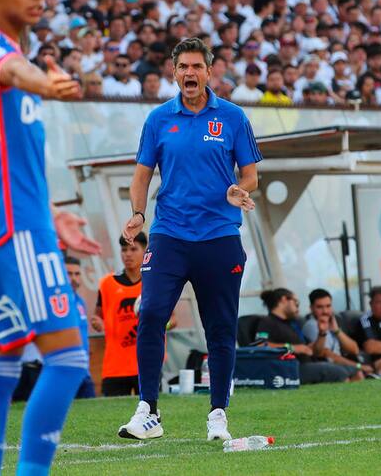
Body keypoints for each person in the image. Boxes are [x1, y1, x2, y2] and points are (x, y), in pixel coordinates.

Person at [0, 0, 102, 475]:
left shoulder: (11, 51)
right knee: (67, 357)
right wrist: (44, 81)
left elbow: (17, 161)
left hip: (5, 224)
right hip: (13, 229)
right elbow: (12, 71)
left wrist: (55, 214)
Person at [119, 37, 262, 441]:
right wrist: (137, 213)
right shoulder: (158, 120)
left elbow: (251, 174)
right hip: (169, 235)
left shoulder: (233, 117)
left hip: (219, 236)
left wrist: (238, 188)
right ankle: (148, 411)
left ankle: (218, 413)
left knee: (220, 328)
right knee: (150, 314)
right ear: (174, 71)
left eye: (197, 66)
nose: (189, 73)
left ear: (209, 70)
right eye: (183, 66)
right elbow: (142, 175)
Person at [256, 289, 352, 385]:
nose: (298, 308)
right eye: (296, 303)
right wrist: (293, 348)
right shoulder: (267, 322)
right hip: (289, 368)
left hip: (306, 364)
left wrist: (322, 333)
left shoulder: (291, 324)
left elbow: (316, 352)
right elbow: (260, 346)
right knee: (339, 372)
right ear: (284, 300)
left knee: (350, 370)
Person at [92, 233, 146, 397]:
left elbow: (172, 320)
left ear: (145, 251)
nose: (128, 254)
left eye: (133, 249)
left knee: (149, 416)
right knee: (110, 416)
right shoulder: (107, 283)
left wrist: (161, 324)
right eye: (124, 250)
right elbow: (97, 316)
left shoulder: (153, 282)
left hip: (146, 364)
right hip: (115, 367)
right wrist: (97, 323)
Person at [302, 289, 366, 382]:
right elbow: (327, 355)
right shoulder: (311, 325)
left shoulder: (333, 322)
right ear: (311, 308)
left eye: (328, 306)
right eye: (320, 307)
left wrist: (336, 330)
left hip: (339, 365)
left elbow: (354, 349)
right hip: (324, 367)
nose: (325, 311)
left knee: (357, 374)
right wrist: (358, 366)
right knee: (351, 373)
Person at [64, 256, 96, 399]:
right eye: (69, 274)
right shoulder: (55, 304)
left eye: (77, 274)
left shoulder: (80, 303)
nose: (74, 278)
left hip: (84, 373)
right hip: (64, 373)